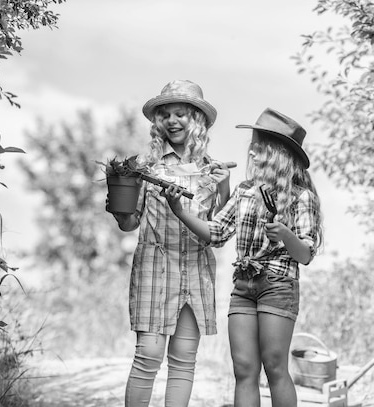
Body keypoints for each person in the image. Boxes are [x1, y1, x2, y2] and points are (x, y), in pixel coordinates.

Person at [163, 107, 323, 407]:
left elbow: (305, 254)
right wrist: (179, 211)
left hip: (278, 284)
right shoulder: (245, 191)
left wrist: (286, 235)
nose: (251, 153)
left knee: (275, 368)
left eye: (258, 147)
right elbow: (217, 233)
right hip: (244, 285)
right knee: (244, 370)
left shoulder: (302, 197)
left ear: (277, 153)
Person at [107, 80, 231, 407]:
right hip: (154, 263)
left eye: (181, 114)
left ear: (197, 121)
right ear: (158, 122)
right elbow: (130, 222)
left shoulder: (212, 171)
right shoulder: (146, 168)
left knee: (183, 357)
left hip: (196, 268)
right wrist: (119, 212)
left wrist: (225, 187)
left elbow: (220, 229)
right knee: (148, 355)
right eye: (167, 115)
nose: (173, 121)